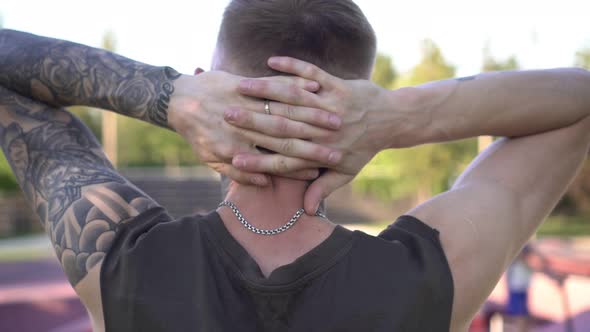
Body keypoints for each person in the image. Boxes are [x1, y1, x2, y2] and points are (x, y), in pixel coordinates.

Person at [1, 0, 590, 331]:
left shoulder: (121, 258)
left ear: (211, 93)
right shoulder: (432, 274)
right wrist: (401, 117)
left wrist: (165, 94)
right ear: (359, 101)